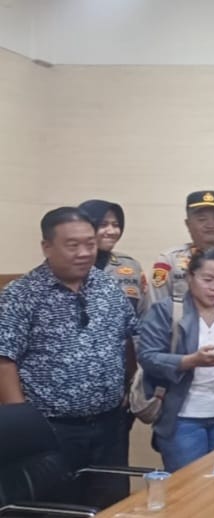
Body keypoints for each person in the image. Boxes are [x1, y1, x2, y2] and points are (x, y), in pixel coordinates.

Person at [0, 207, 137, 508]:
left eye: (90, 243)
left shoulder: (107, 286)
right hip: (51, 429)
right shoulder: (21, 295)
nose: (84, 253)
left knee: (113, 504)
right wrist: (23, 426)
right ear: (47, 247)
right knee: (59, 508)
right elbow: (4, 361)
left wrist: (129, 387)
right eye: (72, 245)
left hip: (110, 424)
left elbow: (128, 337)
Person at [137, 247, 214, 472]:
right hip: (182, 416)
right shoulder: (167, 311)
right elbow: (148, 357)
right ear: (190, 277)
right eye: (208, 280)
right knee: (189, 485)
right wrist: (191, 360)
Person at [150, 191, 214, 304]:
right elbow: (156, 308)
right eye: (201, 219)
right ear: (188, 224)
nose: (210, 225)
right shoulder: (169, 260)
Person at [79, 199, 149, 315]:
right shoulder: (70, 266)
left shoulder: (130, 266)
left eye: (116, 225)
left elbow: (144, 313)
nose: (111, 231)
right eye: (103, 225)